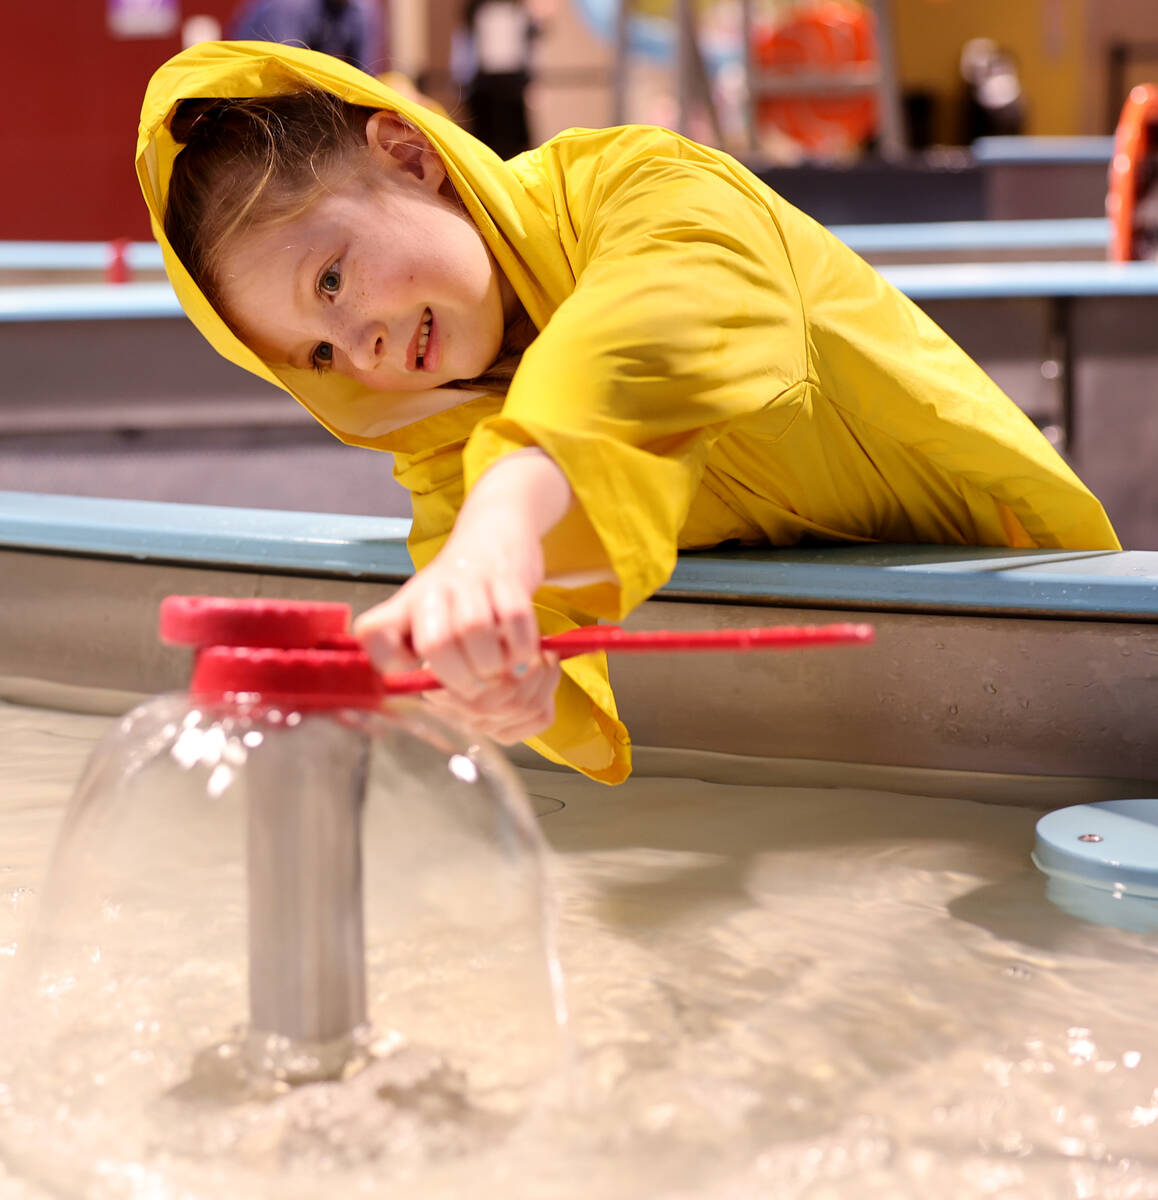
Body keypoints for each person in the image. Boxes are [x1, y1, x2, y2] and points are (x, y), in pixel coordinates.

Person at [137, 41, 1120, 784]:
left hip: (1044, 621)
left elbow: (663, 324)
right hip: (870, 728)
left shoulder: (642, 184)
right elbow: (536, 644)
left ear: (407, 152)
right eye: (316, 352)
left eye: (335, 280)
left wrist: (503, 524)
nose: (359, 351)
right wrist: (515, 689)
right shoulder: (447, 453)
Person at [226, 0, 385, 74]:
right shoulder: (289, 6)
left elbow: (365, 74)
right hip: (254, 74)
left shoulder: (364, 10)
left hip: (302, 75)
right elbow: (285, 70)